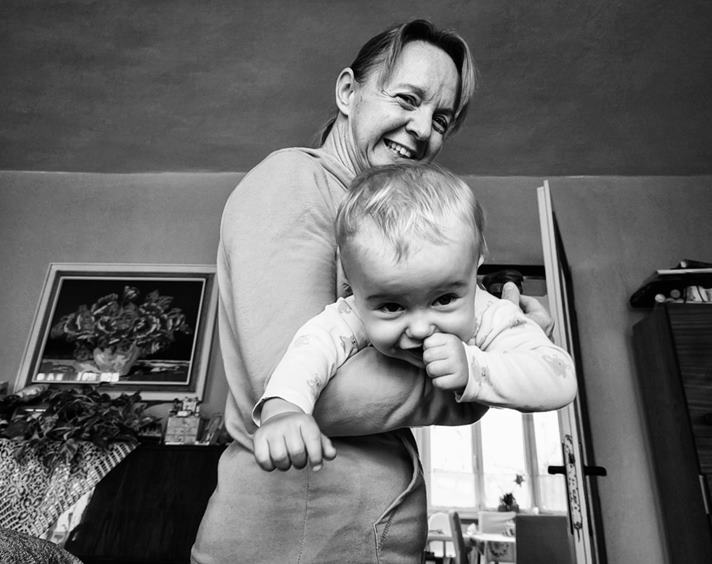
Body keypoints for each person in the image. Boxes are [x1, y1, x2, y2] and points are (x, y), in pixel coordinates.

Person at [192, 19, 567, 563]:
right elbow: (291, 386)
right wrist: (480, 376)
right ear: (348, 92)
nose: (423, 129)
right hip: (297, 540)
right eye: (407, 99)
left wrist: (509, 331)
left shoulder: (380, 224)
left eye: (441, 119)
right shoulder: (293, 181)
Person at [251, 163, 576, 472]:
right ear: (352, 285)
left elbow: (559, 379)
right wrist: (283, 409)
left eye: (444, 299)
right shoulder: (355, 311)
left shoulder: (491, 313)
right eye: (392, 307)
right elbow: (312, 348)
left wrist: (474, 367)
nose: (420, 329)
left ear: (476, 264)